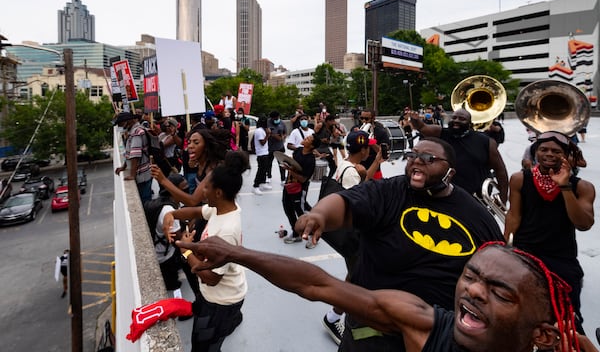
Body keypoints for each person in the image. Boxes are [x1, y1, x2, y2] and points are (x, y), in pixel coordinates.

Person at [177, 238, 595, 352]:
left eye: (500, 292)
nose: (473, 291)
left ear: (541, 335)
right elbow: (319, 285)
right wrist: (235, 252)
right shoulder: (422, 324)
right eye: (471, 276)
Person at [296, 137, 503, 351]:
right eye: (412, 155)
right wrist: (319, 215)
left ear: (450, 171)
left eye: (428, 158)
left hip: (434, 336)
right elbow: (346, 201)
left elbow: (499, 266)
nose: (417, 161)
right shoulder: (389, 191)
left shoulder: (475, 215)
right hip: (372, 332)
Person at [504, 130, 595, 333]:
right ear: (535, 152)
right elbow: (514, 216)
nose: (549, 154)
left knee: (568, 319)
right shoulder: (519, 179)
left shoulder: (583, 187)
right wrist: (505, 248)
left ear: (567, 155)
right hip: (525, 254)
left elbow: (584, 224)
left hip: (561, 257)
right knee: (519, 313)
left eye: (556, 150)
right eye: (543, 149)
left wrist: (564, 187)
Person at [167, 151, 249, 352]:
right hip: (213, 297)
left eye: (206, 188)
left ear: (218, 192)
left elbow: (211, 278)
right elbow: (195, 211)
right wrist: (171, 214)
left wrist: (187, 251)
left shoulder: (226, 230)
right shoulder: (222, 208)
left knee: (204, 348)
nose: (202, 192)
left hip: (221, 302)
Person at [320, 130, 369, 345]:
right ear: (365, 149)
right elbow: (357, 203)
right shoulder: (352, 173)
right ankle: (335, 317)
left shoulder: (345, 164)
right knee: (356, 275)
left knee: (355, 274)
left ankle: (337, 315)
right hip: (351, 236)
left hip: (346, 234)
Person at [410, 108, 509, 204]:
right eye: (454, 118)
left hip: (475, 199)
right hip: (444, 196)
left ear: (470, 123)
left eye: (462, 119)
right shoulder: (441, 133)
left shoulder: (486, 142)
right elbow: (422, 127)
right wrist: (415, 119)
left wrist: (503, 198)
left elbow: (500, 171)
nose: (456, 121)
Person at [151, 127, 231, 207]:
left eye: (196, 143)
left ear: (206, 147)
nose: (190, 146)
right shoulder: (199, 164)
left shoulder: (212, 170)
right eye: (189, 142)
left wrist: (163, 180)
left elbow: (193, 201)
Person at [281, 134, 320, 248]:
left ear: (311, 146)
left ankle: (314, 236)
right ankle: (297, 233)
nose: (305, 138)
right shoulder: (298, 151)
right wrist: (287, 164)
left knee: (302, 213)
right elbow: (294, 165)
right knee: (288, 209)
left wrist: (289, 170)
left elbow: (303, 179)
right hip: (289, 185)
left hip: (299, 189)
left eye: (308, 139)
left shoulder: (310, 160)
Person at [113, 111, 152, 203]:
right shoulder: (133, 131)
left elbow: (135, 156)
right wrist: (124, 167)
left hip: (142, 176)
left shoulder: (136, 133)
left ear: (128, 121)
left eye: (120, 123)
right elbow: (129, 153)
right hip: (142, 174)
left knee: (145, 203)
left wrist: (132, 175)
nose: (120, 126)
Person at [358, 109, 390, 180]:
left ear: (373, 118)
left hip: (374, 168)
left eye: (366, 119)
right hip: (358, 168)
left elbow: (383, 152)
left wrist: (371, 142)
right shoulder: (357, 129)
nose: (363, 121)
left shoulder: (381, 132)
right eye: (361, 118)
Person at [266, 111, 287, 185]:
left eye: (278, 118)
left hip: (280, 147)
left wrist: (282, 137)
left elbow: (285, 133)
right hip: (270, 147)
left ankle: (283, 179)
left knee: (282, 164)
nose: (277, 119)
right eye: (275, 118)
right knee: (268, 163)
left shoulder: (282, 123)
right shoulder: (267, 123)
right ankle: (268, 176)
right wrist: (273, 135)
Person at [252, 115, 271, 195]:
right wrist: (267, 135)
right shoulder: (259, 131)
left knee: (265, 169)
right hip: (261, 153)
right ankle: (255, 186)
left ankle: (263, 183)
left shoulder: (263, 130)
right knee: (261, 170)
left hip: (265, 152)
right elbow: (262, 143)